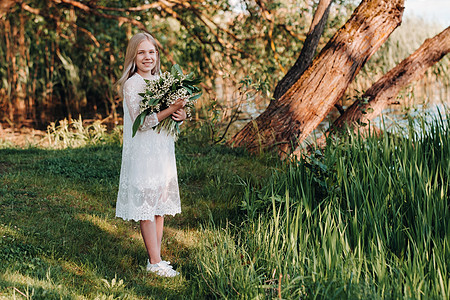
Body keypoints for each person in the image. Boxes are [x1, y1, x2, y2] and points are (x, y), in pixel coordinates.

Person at [115, 32, 186, 277]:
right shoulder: (132, 84)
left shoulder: (161, 80)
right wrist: (171, 109)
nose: (148, 57)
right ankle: (155, 262)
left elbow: (170, 117)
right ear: (133, 56)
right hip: (144, 152)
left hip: (162, 150)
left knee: (159, 205)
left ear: (157, 55)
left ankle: (155, 259)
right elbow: (143, 122)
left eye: (152, 52)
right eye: (142, 52)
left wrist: (180, 114)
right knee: (147, 204)